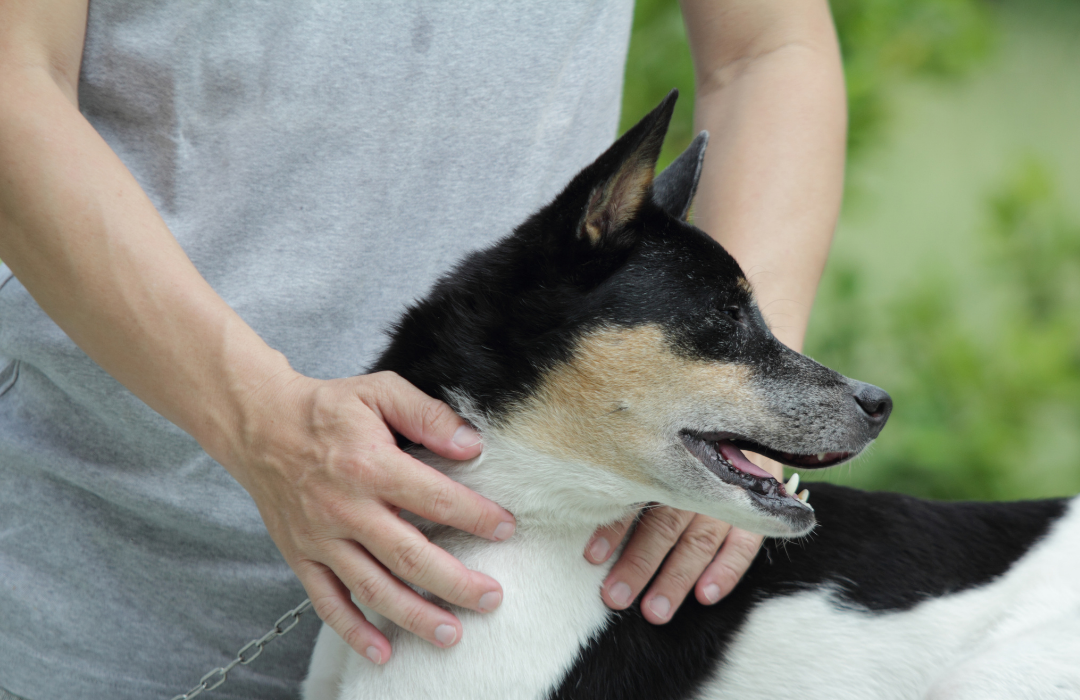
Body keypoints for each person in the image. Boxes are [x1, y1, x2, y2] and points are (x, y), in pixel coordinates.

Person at [0, 1, 846, 698]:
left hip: (538, 606)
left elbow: (766, 51)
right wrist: (258, 421)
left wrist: (724, 416)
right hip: (105, 578)